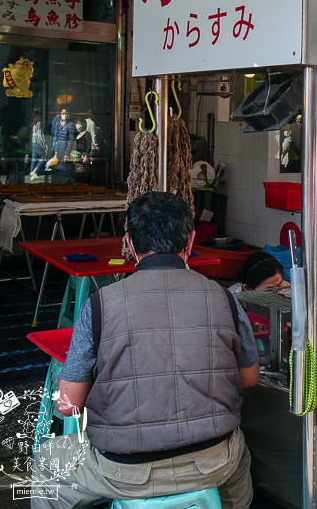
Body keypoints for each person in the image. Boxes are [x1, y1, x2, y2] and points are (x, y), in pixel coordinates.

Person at [34, 192, 258, 509]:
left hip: (124, 471)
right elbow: (249, 378)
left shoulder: (99, 304)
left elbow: (69, 406)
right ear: (191, 240)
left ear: (129, 242)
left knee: (47, 459)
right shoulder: (224, 298)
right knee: (241, 461)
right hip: (214, 462)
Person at [28, 109, 47, 179]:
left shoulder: (33, 123)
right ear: (38, 116)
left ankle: (32, 172)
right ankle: (34, 171)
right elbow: (40, 135)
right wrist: (44, 144)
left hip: (33, 142)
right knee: (43, 157)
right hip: (37, 142)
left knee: (34, 158)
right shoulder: (39, 123)